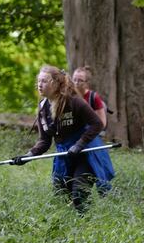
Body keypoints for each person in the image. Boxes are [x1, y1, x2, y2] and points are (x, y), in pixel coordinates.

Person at [10, 65, 114, 212]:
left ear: (55, 83)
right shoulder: (42, 107)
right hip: (64, 154)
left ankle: (87, 225)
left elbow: (97, 124)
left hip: (86, 153)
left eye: (44, 81)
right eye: (38, 81)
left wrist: (79, 144)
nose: (40, 84)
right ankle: (70, 229)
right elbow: (44, 141)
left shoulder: (74, 102)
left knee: (79, 194)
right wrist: (28, 156)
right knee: (61, 194)